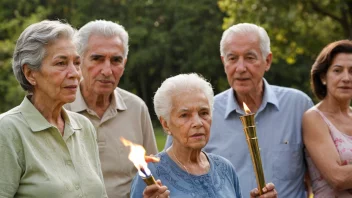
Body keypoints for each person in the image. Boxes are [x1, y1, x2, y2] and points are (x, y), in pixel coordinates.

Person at [164, 23, 313, 197]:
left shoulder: (298, 106)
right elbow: (172, 175)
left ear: (268, 61)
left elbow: (318, 178)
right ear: (223, 62)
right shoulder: (202, 114)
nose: (240, 68)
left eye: (250, 57)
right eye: (232, 58)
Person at [0, 20, 107, 197]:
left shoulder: (84, 127)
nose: (74, 73)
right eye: (61, 63)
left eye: (77, 63)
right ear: (30, 73)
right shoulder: (7, 130)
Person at [131, 73, 278, 198]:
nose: (198, 123)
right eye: (184, 115)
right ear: (165, 124)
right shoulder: (150, 174)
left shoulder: (225, 169)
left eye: (204, 113)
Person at [64, 20, 158, 198]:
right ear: (79, 60)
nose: (107, 71)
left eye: (116, 60)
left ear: (124, 63)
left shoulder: (136, 108)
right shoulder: (60, 108)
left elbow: (153, 170)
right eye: (97, 59)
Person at [303, 40, 352, 197]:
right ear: (323, 77)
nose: (346, 78)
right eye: (337, 71)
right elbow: (338, 177)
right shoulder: (314, 118)